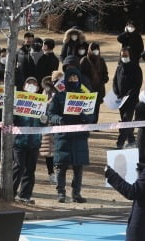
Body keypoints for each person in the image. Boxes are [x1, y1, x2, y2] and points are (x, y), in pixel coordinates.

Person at [47, 67, 94, 203]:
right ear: (65, 80)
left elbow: (92, 116)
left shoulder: (85, 97)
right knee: (61, 166)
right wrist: (58, 120)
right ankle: (61, 193)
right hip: (63, 135)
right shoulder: (59, 96)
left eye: (75, 78)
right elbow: (51, 114)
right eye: (70, 78)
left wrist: (84, 115)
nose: (73, 80)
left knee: (78, 167)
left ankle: (76, 193)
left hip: (80, 136)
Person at [13, 77, 45, 204]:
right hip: (19, 141)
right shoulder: (18, 101)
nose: (31, 86)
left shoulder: (40, 103)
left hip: (34, 142)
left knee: (30, 169)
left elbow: (44, 124)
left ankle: (25, 195)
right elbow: (12, 119)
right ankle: (11, 192)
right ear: (24, 86)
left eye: (34, 84)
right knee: (18, 167)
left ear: (37, 88)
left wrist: (44, 120)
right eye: (29, 84)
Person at [113, 47, 143, 149]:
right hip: (120, 101)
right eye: (122, 55)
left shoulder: (136, 68)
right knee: (126, 121)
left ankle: (120, 143)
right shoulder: (119, 68)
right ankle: (131, 140)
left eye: (126, 55)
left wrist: (129, 95)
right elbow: (115, 82)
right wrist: (117, 93)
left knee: (126, 120)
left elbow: (137, 84)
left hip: (131, 100)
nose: (124, 57)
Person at [79, 42, 108, 122]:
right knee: (87, 107)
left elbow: (105, 73)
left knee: (96, 107)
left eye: (97, 49)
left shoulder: (101, 60)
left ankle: (94, 124)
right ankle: (87, 123)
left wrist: (104, 78)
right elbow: (80, 74)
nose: (95, 51)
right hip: (87, 89)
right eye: (93, 49)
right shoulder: (84, 60)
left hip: (98, 88)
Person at [39, 76, 58, 184]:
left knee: (58, 151)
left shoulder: (61, 92)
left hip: (59, 125)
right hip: (47, 125)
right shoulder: (45, 91)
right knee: (49, 151)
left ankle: (56, 172)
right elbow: (42, 106)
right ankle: (51, 173)